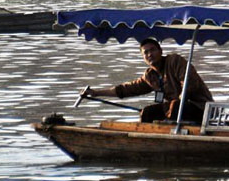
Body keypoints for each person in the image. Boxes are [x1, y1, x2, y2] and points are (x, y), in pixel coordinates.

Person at [82, 36, 214, 124]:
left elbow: (190, 84)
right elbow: (127, 89)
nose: (150, 54)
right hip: (175, 111)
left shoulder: (174, 61)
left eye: (153, 50)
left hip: (200, 108)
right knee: (148, 112)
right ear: (143, 57)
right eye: (146, 53)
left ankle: (171, 132)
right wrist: (96, 93)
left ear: (160, 51)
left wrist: (176, 103)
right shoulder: (150, 75)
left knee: (175, 106)